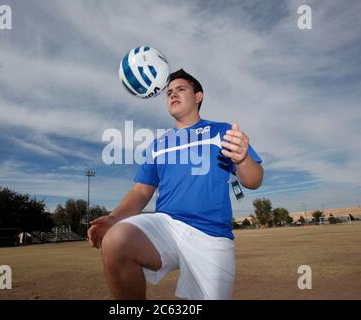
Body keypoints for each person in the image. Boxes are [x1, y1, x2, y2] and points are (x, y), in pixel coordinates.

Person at [88, 69, 263, 300]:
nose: (172, 95)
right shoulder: (158, 144)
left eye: (181, 89)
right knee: (116, 240)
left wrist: (242, 159)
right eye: (169, 92)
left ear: (198, 96)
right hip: (167, 225)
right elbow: (141, 191)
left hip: (210, 234)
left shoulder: (222, 131)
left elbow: (254, 181)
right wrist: (113, 218)